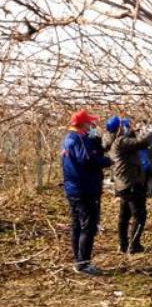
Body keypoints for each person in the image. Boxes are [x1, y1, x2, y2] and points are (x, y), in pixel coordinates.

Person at [60, 109, 112, 275]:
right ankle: (83, 263)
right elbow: (88, 160)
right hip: (85, 189)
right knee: (87, 226)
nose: (92, 124)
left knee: (77, 225)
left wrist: (96, 143)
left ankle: (79, 260)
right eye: (90, 122)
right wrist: (107, 161)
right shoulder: (80, 138)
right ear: (83, 123)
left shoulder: (68, 139)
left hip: (74, 188)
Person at [104, 116, 152, 254]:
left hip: (123, 183)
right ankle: (134, 245)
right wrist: (151, 132)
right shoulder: (121, 141)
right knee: (140, 215)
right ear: (120, 128)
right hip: (131, 183)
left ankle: (123, 244)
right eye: (125, 126)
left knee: (125, 215)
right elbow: (142, 142)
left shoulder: (114, 141)